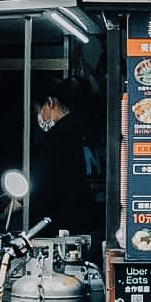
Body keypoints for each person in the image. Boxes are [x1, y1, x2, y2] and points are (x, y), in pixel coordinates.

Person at [30, 77, 103, 241]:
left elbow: (40, 180)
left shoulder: (60, 134)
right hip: (99, 219)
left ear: (50, 102)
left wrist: (20, 203)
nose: (39, 116)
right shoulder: (98, 129)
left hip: (69, 224)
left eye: (38, 110)